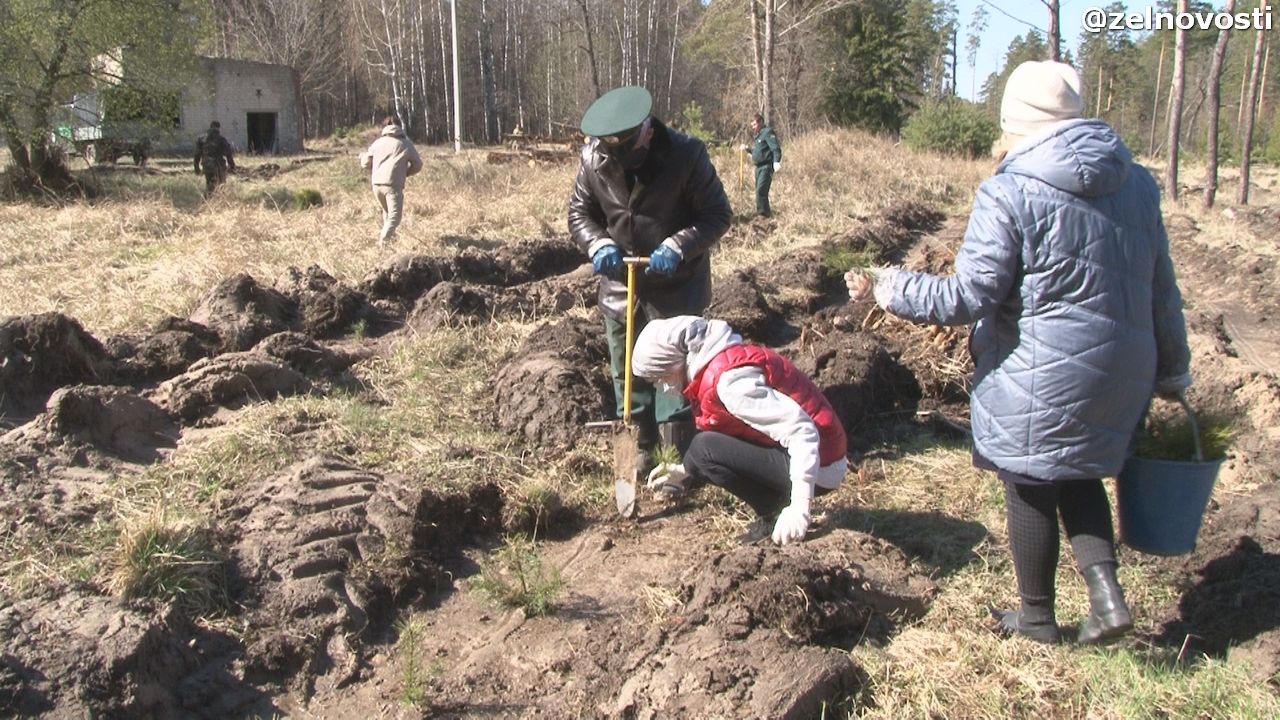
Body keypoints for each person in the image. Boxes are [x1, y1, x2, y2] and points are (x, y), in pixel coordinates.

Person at [846, 60, 1191, 644]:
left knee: (1028, 479)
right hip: (1121, 371)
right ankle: (1107, 601)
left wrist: (889, 286)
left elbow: (969, 294)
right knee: (1078, 472)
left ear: (1017, 123)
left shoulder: (1010, 189)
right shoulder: (1136, 183)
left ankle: (1036, 618)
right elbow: (1162, 287)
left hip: (1041, 369)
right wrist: (1174, 368)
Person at [568, 86, 732, 471]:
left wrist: (678, 245)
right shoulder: (593, 157)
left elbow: (716, 214)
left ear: (646, 130)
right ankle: (637, 447)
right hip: (619, 289)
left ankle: (677, 454)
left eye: (631, 154)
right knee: (625, 371)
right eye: (615, 156)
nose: (624, 164)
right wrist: (597, 244)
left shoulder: (686, 155)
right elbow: (580, 213)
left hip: (676, 288)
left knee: (674, 375)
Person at [631, 316, 847, 546]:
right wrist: (685, 469)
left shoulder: (730, 383)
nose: (663, 386)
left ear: (676, 361)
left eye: (662, 376)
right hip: (809, 455)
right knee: (699, 454)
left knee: (703, 450)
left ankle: (774, 512)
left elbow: (802, 431)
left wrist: (800, 508)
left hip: (821, 463)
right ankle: (774, 510)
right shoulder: (716, 365)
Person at [360, 116, 423, 246]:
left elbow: (365, 163)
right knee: (395, 217)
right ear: (400, 127)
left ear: (384, 127)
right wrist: (406, 173)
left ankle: (390, 244)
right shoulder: (405, 143)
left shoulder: (377, 142)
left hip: (376, 185)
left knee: (387, 213)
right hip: (393, 185)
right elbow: (418, 165)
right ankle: (383, 242)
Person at [739, 113, 782, 218]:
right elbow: (758, 151)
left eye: (754, 124)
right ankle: (763, 213)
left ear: (761, 122)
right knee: (759, 192)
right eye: (752, 125)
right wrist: (747, 149)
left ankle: (763, 215)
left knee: (761, 190)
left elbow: (775, 148)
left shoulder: (767, 132)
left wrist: (776, 161)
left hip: (766, 167)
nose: (753, 127)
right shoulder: (759, 135)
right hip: (758, 168)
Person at [194, 121, 235, 195]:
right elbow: (228, 154)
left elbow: (197, 154)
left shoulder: (201, 139)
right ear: (218, 128)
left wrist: (196, 167)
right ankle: (216, 201)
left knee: (209, 184)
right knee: (220, 185)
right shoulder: (222, 139)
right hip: (219, 166)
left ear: (210, 127)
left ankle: (208, 200)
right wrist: (232, 166)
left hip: (207, 165)